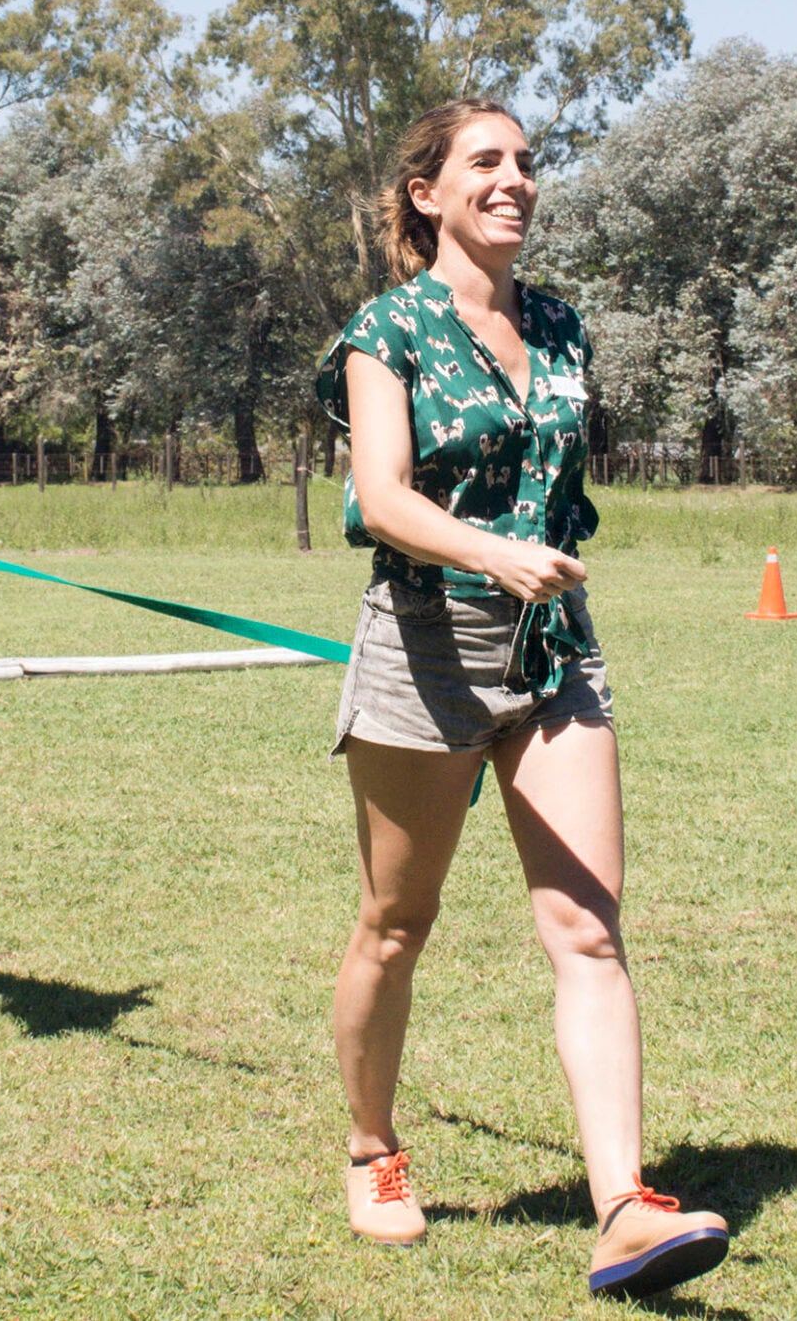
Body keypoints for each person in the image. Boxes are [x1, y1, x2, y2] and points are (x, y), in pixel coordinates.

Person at [312, 98, 729, 1301]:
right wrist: (491, 553)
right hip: (424, 650)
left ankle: (623, 1209)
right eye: (484, 163)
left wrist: (529, 575)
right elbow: (382, 498)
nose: (515, 181)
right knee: (397, 923)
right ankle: (373, 1148)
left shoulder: (557, 326)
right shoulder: (385, 329)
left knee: (589, 929)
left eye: (527, 164)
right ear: (426, 195)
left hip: (552, 653)